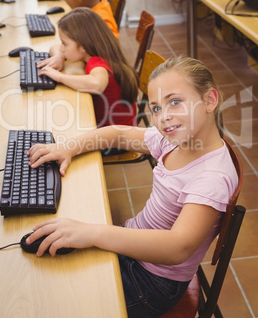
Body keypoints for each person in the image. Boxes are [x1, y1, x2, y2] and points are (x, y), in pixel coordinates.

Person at [27, 55, 238, 317]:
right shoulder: (176, 139)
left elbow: (176, 247)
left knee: (60, 302)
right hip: (135, 249)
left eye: (175, 102)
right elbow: (118, 133)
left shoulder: (212, 176)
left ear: (209, 100)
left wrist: (93, 233)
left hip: (153, 283)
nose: (164, 118)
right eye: (157, 108)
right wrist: (68, 147)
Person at [37, 7, 137, 128]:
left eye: (65, 44)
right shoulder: (99, 51)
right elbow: (54, 47)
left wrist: (60, 77)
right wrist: (59, 56)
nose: (62, 48)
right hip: (116, 130)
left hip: (115, 140)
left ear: (83, 46)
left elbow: (97, 84)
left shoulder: (98, 63)